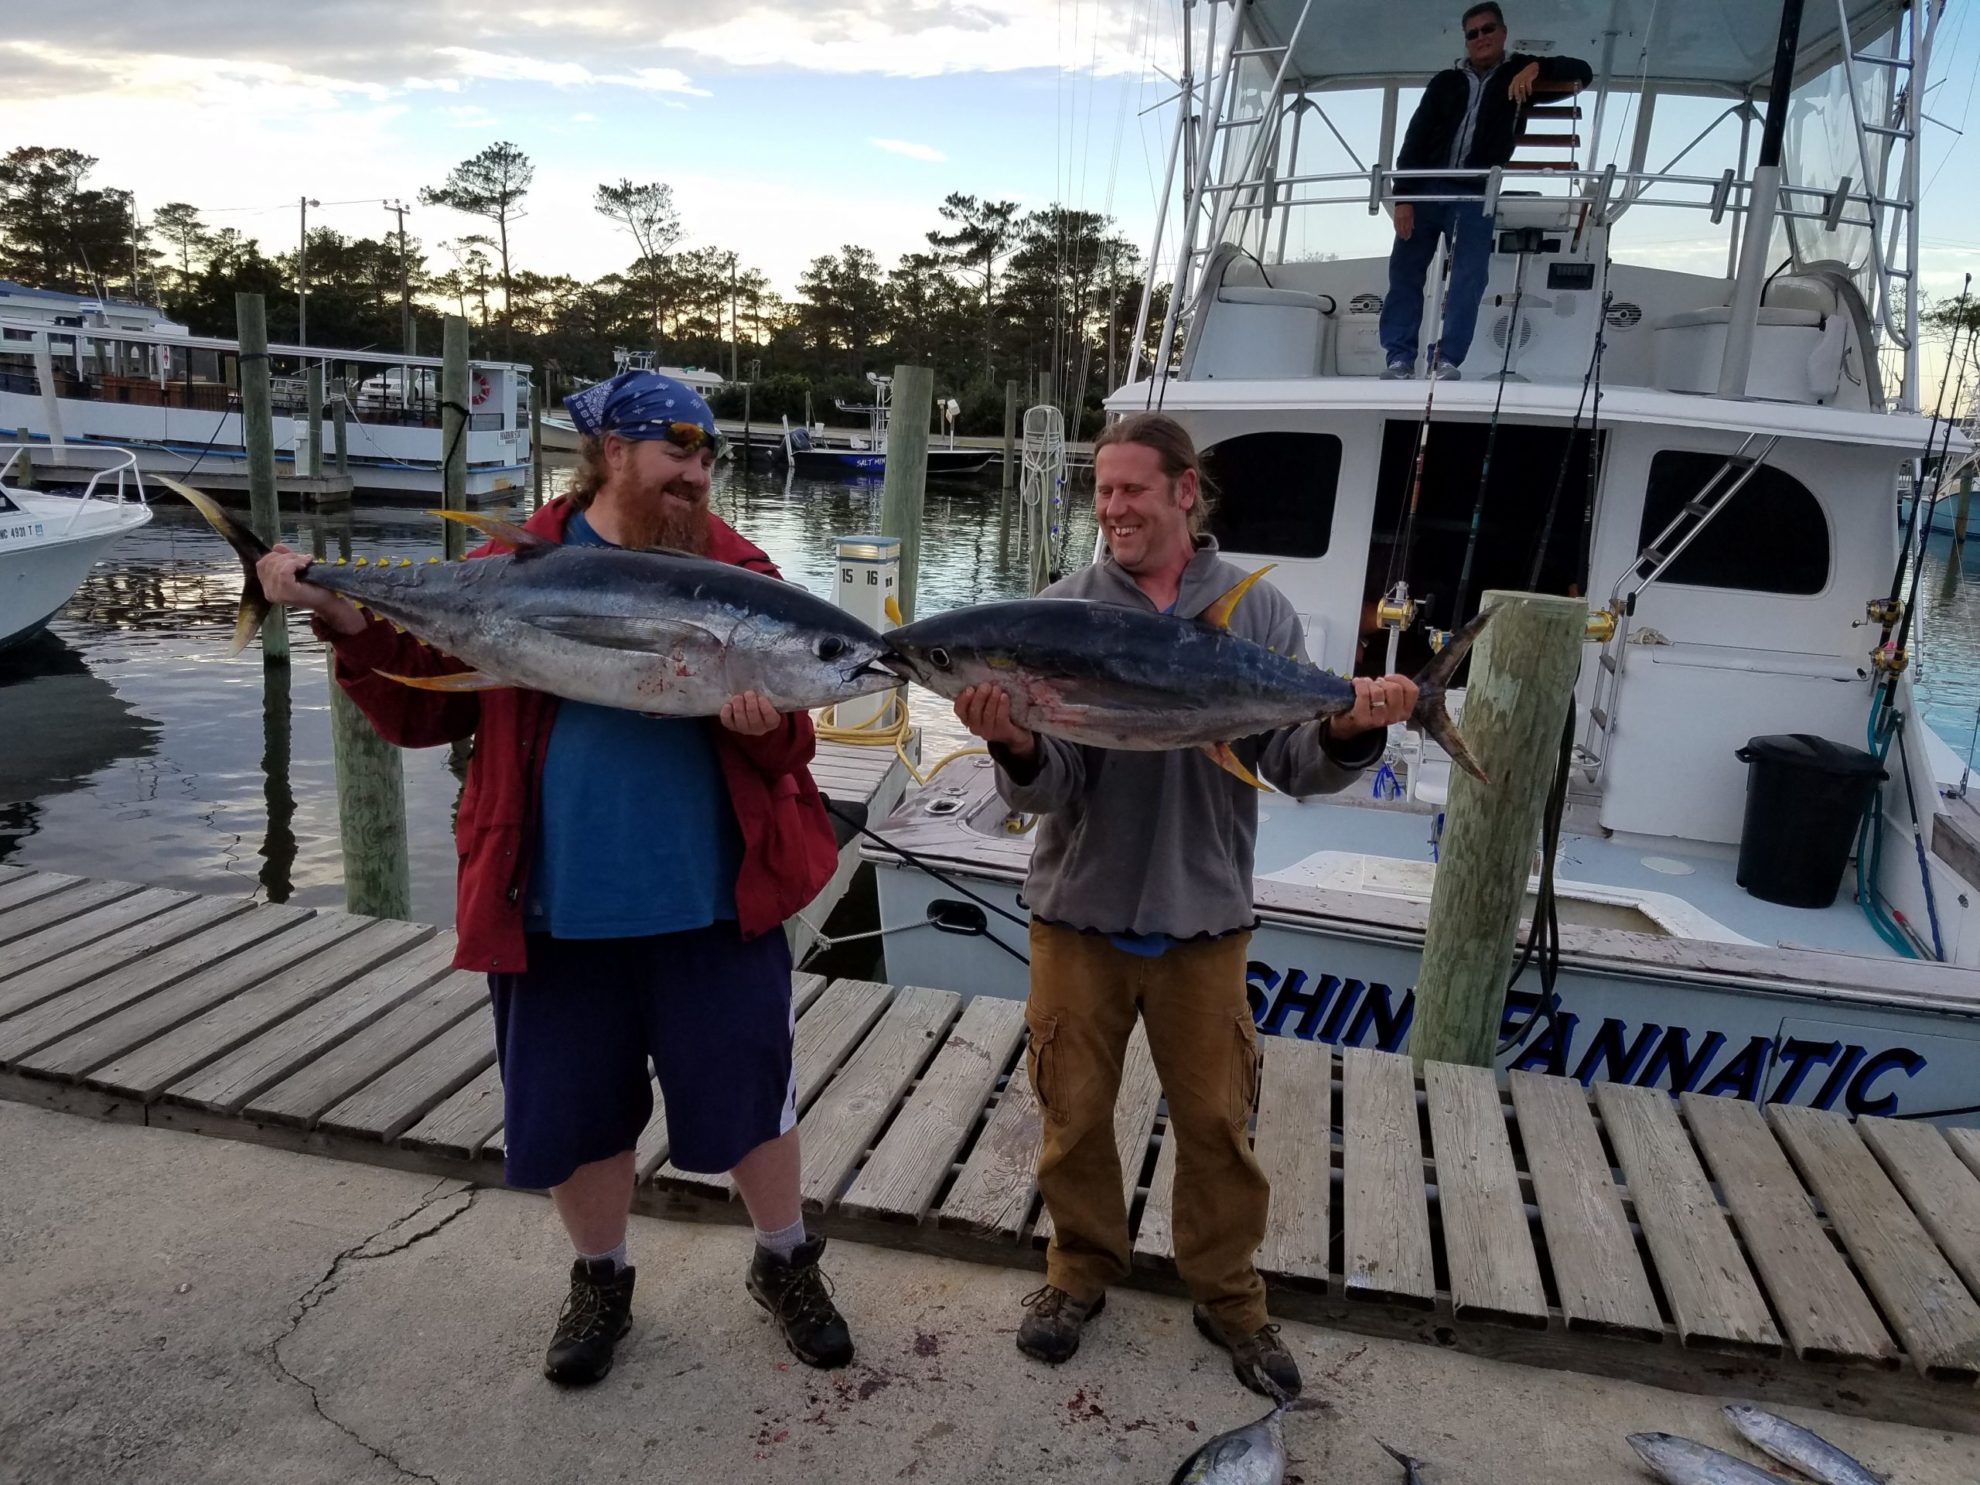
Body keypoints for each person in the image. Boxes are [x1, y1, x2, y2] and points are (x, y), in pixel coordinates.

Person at [255, 369, 855, 1388]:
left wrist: (768, 725)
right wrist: (345, 619)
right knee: (576, 1109)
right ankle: (600, 1277)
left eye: (706, 457)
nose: (696, 476)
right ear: (614, 453)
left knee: (755, 1098)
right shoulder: (512, 566)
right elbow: (417, 714)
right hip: (551, 904)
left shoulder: (737, 571)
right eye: (677, 453)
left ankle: (786, 1258)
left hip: (714, 902)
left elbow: (791, 739)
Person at [949, 413, 1418, 1398]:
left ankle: (1230, 1298)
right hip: (1078, 908)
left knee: (1215, 1121)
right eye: (1102, 490)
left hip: (1205, 911)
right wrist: (1016, 744)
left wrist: (1349, 727)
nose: (1113, 508)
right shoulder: (1062, 610)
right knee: (1071, 1116)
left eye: (1131, 489)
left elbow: (1292, 762)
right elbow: (1050, 785)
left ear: (1183, 494)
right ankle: (1078, 1275)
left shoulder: (1258, 614)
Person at [1380, 2, 1593, 380]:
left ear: (1503, 32)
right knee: (1405, 271)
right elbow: (1415, 138)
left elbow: (1583, 72)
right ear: (1466, 40)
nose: (1481, 38)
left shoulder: (1517, 76)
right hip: (1427, 189)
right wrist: (1404, 197)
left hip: (1476, 193)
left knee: (1469, 275)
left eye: (1488, 29)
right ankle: (1399, 357)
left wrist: (1536, 67)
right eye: (1472, 33)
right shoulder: (1444, 82)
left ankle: (1445, 359)